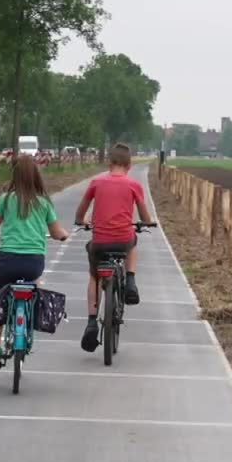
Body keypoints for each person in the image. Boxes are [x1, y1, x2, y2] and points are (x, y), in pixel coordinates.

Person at [0, 154, 69, 368]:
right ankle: (29, 319)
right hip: (33, 263)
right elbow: (56, 232)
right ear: (37, 175)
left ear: (14, 175)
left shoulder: (6, 199)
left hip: (7, 261)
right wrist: (64, 235)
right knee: (34, 284)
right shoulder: (44, 201)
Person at [73, 142, 155, 352]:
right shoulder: (133, 185)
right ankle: (130, 280)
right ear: (129, 165)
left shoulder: (96, 182)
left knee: (94, 276)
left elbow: (81, 209)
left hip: (99, 242)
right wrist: (146, 222)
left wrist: (81, 221)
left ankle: (92, 321)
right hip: (123, 239)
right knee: (133, 242)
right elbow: (145, 217)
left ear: (109, 163)